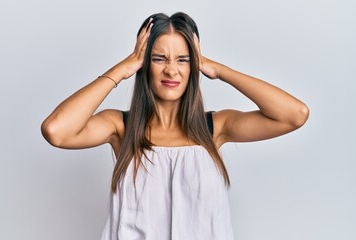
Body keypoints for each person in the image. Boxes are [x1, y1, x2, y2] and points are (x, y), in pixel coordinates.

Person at [41, 12, 309, 240]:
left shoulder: (215, 127)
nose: (172, 70)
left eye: (183, 59)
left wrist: (216, 68)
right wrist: (123, 68)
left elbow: (295, 114)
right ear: (145, 64)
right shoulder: (120, 126)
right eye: (159, 59)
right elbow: (56, 130)